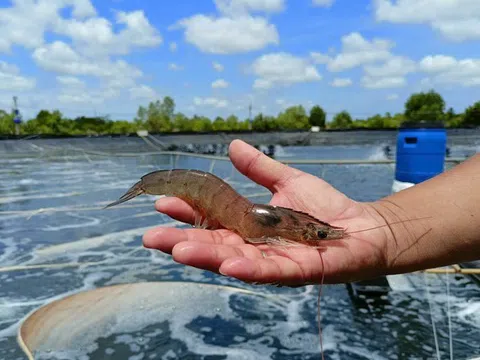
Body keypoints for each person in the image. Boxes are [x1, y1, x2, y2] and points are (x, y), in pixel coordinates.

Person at [143, 139, 480, 286]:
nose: (321, 237)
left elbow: (285, 224)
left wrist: (386, 229)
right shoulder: (268, 223)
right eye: (319, 233)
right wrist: (386, 227)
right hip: (200, 188)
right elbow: (279, 226)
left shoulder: (278, 221)